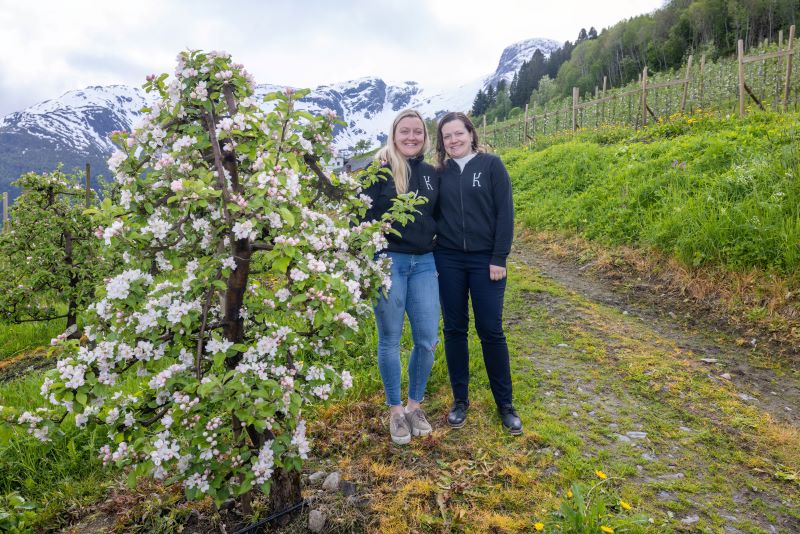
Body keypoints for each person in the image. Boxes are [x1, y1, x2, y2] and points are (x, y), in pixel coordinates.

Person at [433, 111, 521, 435]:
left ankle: (506, 405)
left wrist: (499, 257)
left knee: (491, 330)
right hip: (449, 260)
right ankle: (460, 401)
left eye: (459, 133)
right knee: (455, 330)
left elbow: (505, 213)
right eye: (447, 136)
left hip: (486, 262)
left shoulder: (491, 166)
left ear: (471, 133)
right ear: (442, 143)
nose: (453, 140)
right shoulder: (438, 173)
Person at [363, 109, 440, 445]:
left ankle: (414, 406)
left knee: (427, 338)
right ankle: (395, 410)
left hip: (424, 263)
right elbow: (360, 216)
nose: (411, 137)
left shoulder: (431, 173)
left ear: (425, 136)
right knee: (390, 338)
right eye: (404, 131)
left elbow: (440, 215)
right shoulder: (379, 171)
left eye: (417, 132)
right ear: (394, 135)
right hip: (389, 261)